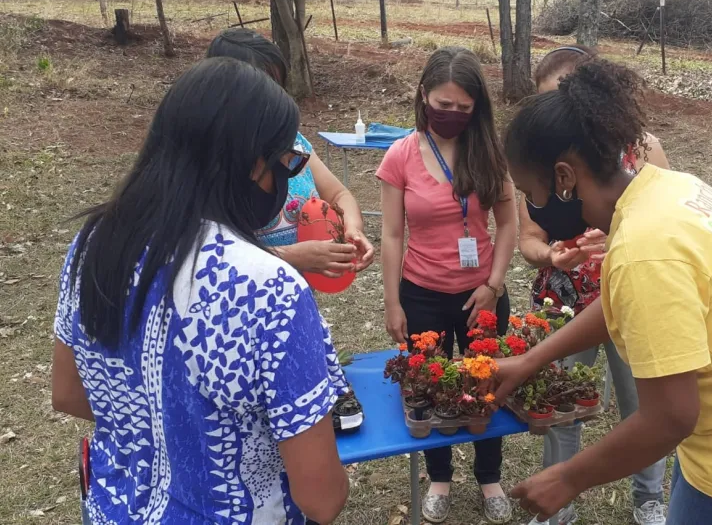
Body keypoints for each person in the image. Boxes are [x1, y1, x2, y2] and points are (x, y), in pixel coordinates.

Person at [495, 59, 712, 525]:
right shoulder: (669, 191)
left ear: (564, 178)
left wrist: (567, 478)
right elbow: (618, 304)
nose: (532, 207)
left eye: (530, 191)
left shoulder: (645, 248)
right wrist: (531, 360)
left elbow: (669, 418)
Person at [51, 57, 350, 524]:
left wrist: (160, 430)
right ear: (254, 164)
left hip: (112, 509)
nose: (288, 178)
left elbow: (68, 393)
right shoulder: (270, 288)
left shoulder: (92, 242)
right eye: (287, 164)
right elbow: (322, 498)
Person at [520, 46, 670, 525]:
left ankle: (648, 496)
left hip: (634, 296)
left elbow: (661, 227)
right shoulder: (540, 160)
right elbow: (529, 238)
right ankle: (558, 499)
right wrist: (551, 255)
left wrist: (620, 236)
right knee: (561, 401)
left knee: (641, 402)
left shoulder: (644, 150)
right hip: (565, 301)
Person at [377, 47, 518, 524]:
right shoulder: (400, 154)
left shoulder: (488, 153)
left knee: (486, 388)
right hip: (421, 293)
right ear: (423, 95)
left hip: (481, 294)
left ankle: (489, 477)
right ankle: (440, 477)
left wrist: (494, 287)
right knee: (428, 391)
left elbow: (508, 225)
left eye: (464, 107)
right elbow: (393, 233)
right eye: (444, 104)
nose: (452, 115)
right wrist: (393, 301)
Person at [207, 28, 374, 276]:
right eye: (260, 87)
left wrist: (352, 226)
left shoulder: (293, 143)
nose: (272, 96)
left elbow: (339, 194)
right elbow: (204, 254)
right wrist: (290, 257)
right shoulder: (206, 160)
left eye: (276, 84)